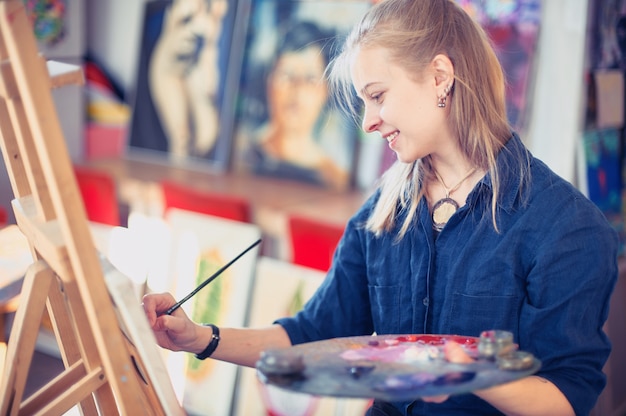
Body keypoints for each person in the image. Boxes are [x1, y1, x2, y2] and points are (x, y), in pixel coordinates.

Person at [142, 0, 619, 414]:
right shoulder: (383, 212)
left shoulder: (567, 227)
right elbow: (313, 333)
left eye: (377, 96)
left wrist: (477, 375)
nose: (368, 122)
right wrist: (201, 338)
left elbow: (565, 397)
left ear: (440, 77)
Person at [241, 20, 351, 190]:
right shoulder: (240, 155)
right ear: (268, 81)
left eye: (310, 79)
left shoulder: (336, 179)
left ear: (326, 91)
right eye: (286, 75)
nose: (297, 90)